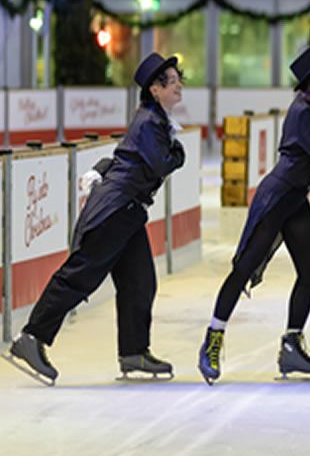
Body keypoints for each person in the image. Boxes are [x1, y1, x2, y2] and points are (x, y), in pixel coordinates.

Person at [7, 52, 185, 385]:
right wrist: (179, 154)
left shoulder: (154, 119)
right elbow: (162, 163)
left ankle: (134, 353)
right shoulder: (148, 121)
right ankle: (31, 338)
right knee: (80, 275)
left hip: (128, 211)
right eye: (172, 82)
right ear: (155, 89)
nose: (179, 87)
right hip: (115, 210)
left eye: (178, 80)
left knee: (140, 281)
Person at [197, 46, 310, 384]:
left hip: (294, 199)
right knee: (243, 268)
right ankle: (212, 340)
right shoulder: (305, 113)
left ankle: (292, 344)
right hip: (277, 199)